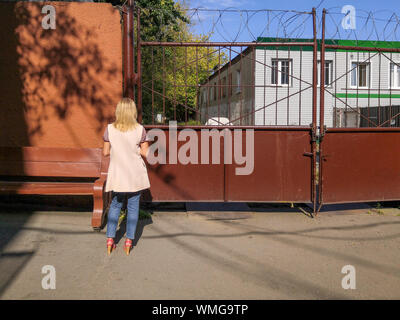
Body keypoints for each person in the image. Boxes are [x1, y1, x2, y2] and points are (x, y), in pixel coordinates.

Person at [102, 97, 150, 256]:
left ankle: (110, 239)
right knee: (133, 206)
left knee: (115, 205)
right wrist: (136, 150)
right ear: (133, 111)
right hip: (134, 173)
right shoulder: (140, 129)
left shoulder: (109, 129)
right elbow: (145, 152)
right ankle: (129, 241)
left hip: (118, 173)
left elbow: (105, 152)